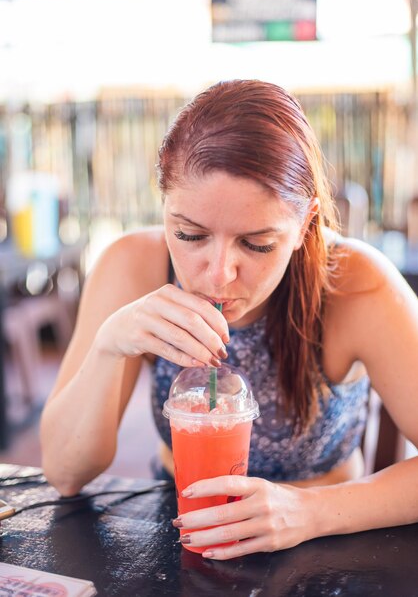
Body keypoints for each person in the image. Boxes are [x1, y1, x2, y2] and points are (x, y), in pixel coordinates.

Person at [40, 79, 418, 560]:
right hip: (178, 540)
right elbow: (65, 473)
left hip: (326, 547)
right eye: (190, 235)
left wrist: (311, 511)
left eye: (257, 244)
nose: (218, 274)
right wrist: (108, 346)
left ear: (305, 226)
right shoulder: (131, 265)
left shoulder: (356, 285)